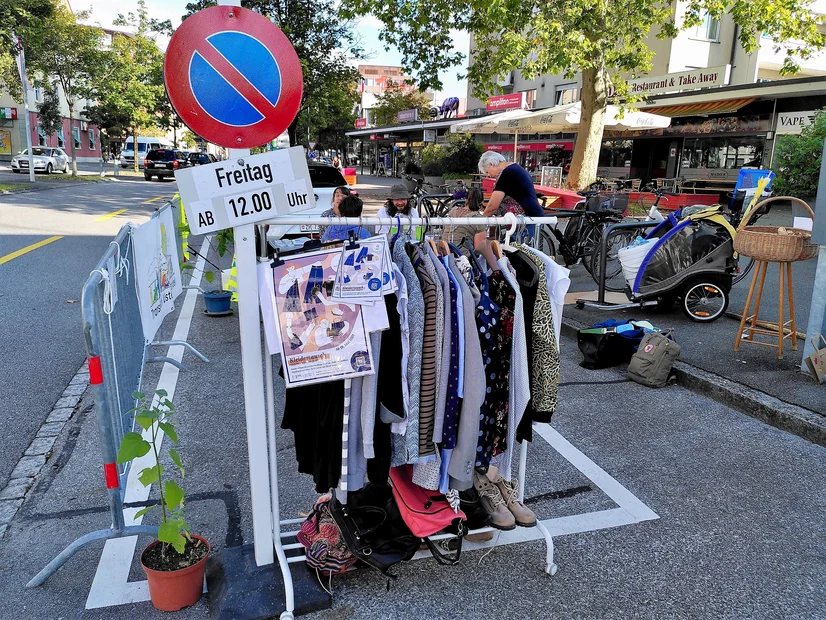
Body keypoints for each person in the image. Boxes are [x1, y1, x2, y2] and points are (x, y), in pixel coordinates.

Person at [477, 151, 544, 219]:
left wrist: (481, 222)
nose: (489, 175)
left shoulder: (506, 174)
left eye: (487, 172)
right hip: (533, 216)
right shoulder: (516, 168)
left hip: (526, 220)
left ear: (492, 164)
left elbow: (492, 207)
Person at [441, 187, 487, 256]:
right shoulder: (478, 219)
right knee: (487, 246)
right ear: (482, 202)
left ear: (466, 200)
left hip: (443, 252)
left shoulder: (453, 210)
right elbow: (478, 249)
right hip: (462, 256)